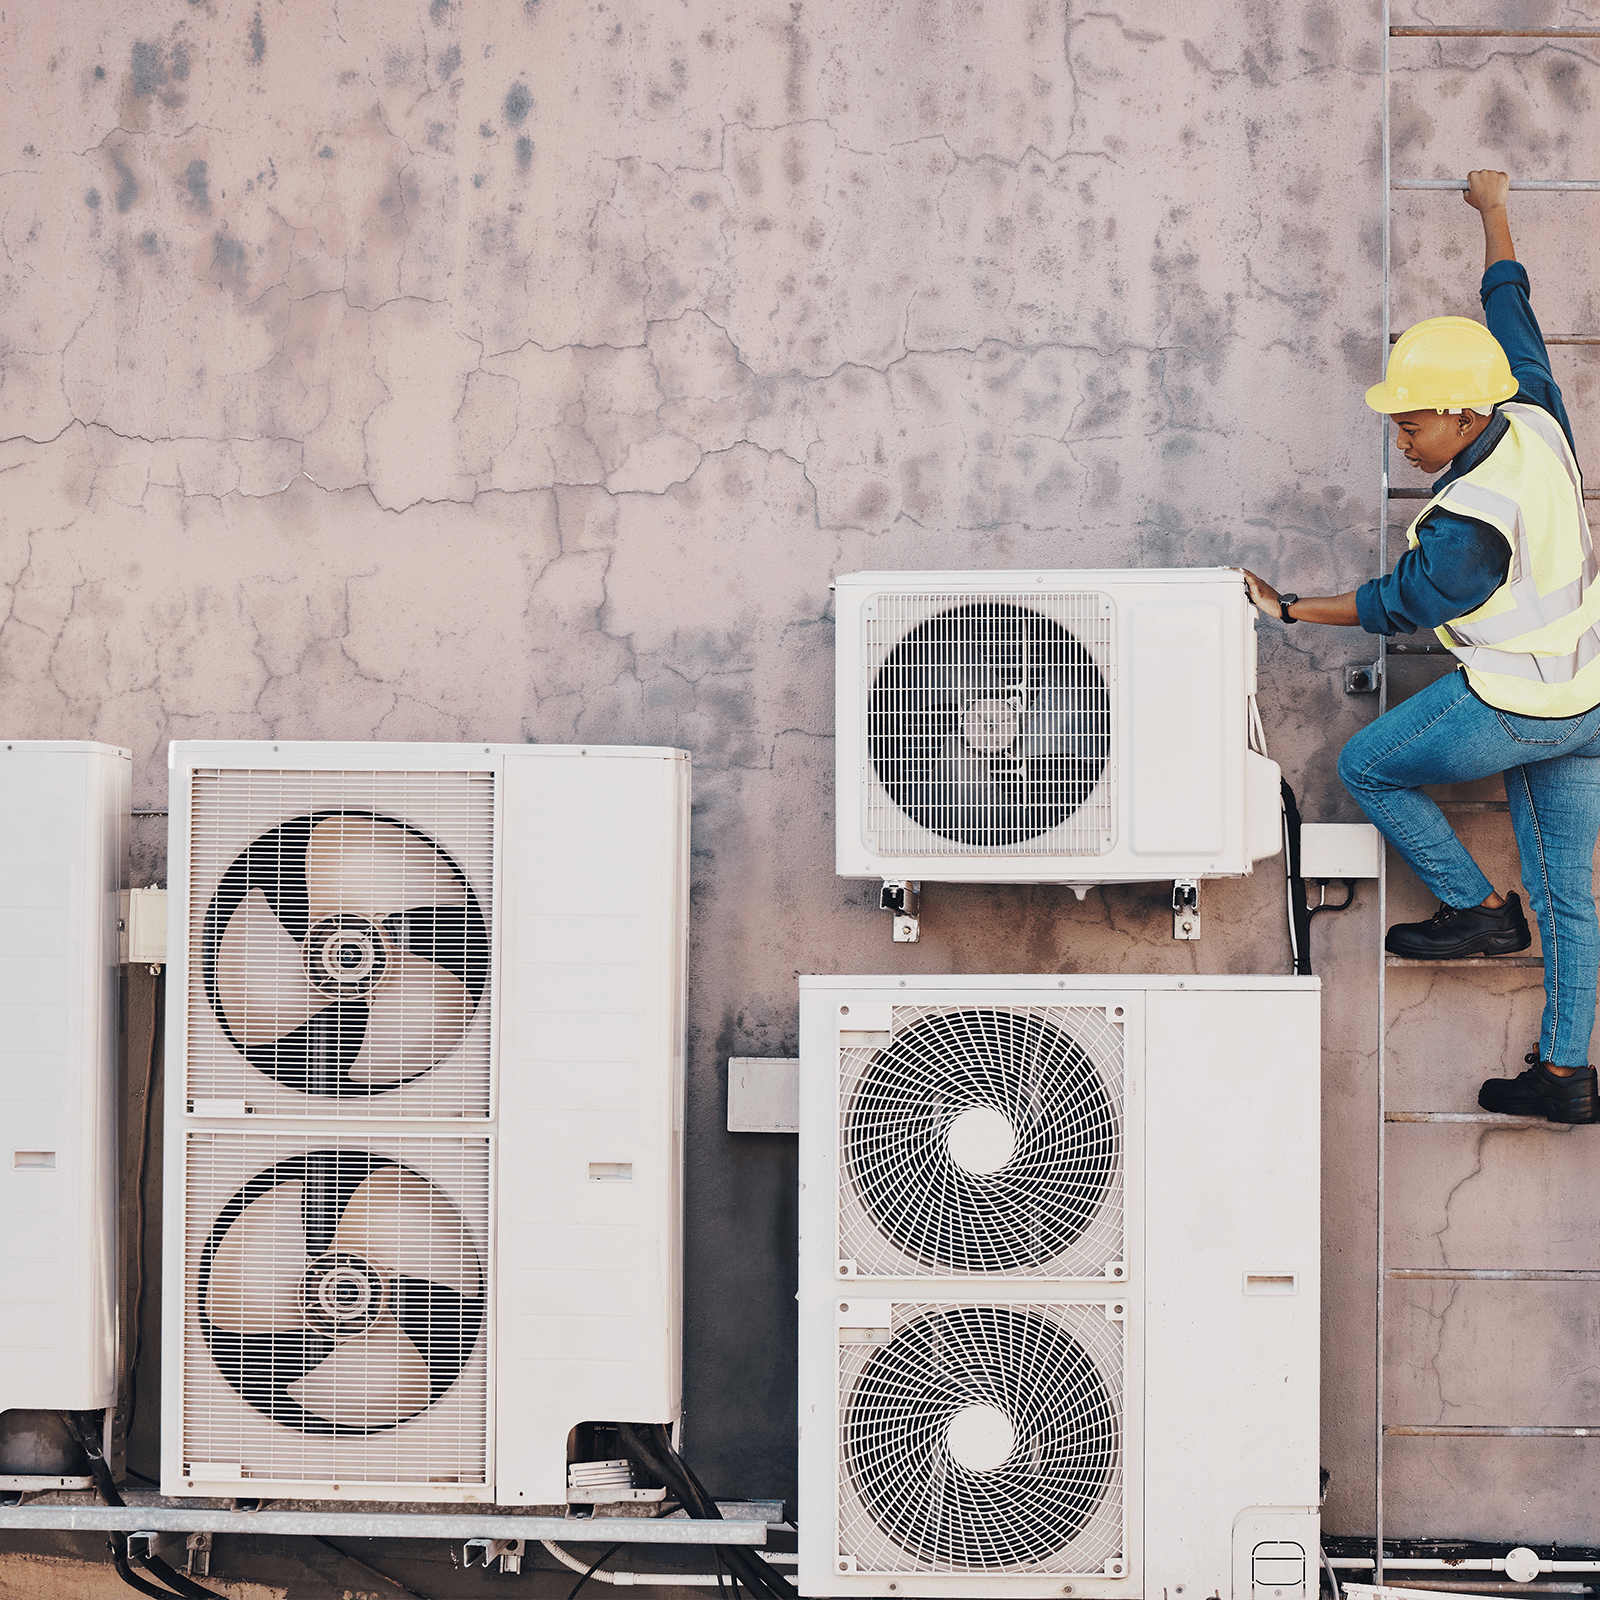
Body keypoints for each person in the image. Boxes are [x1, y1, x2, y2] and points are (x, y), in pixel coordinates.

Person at [1242, 169, 1600, 1126]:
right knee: (1571, 900)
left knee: (1368, 763)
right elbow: (1509, 300)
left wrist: (1288, 610)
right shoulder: (1532, 406)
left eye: (1412, 420)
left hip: (1519, 706)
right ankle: (1566, 1074)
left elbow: (1398, 603)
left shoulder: (1468, 527)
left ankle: (1477, 909)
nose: (1400, 436)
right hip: (1590, 703)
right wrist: (1495, 213)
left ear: (1464, 415)